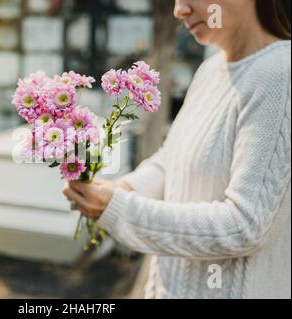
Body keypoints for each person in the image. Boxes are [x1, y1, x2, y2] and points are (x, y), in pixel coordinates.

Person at [63, 0, 291, 299]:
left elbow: (244, 226)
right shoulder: (210, 71)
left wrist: (118, 209)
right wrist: (124, 187)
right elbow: (172, 159)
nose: (178, 10)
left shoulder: (280, 75)